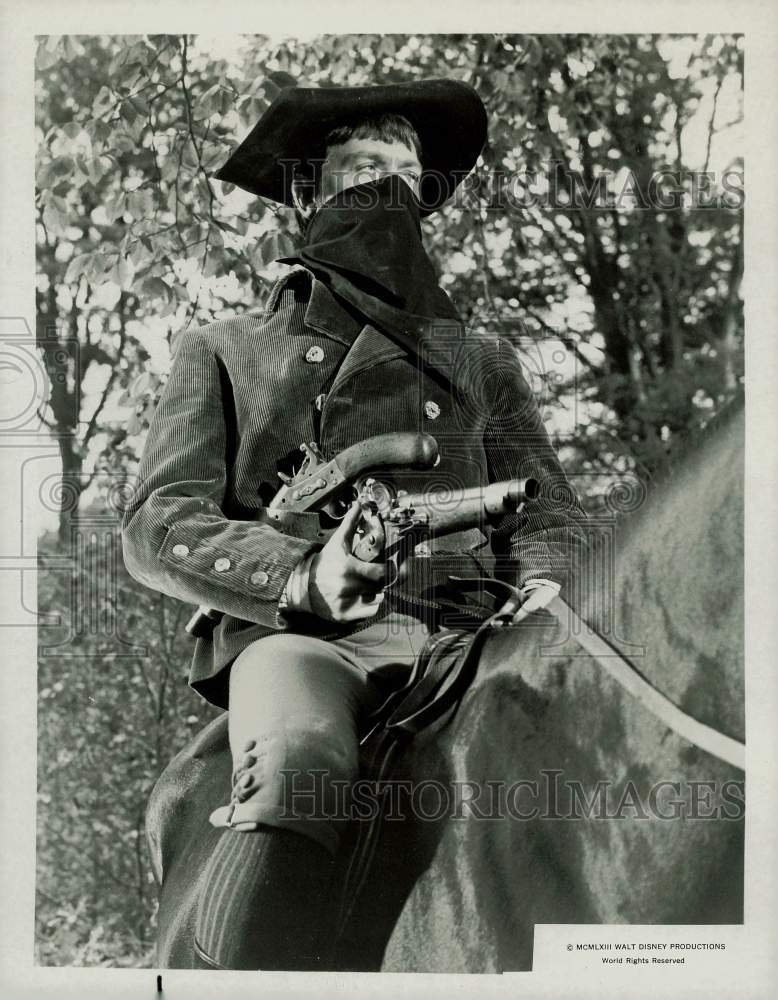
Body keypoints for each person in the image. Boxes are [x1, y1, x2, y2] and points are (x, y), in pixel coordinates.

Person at [120, 78, 587, 970]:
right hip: (313, 637)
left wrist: (549, 581)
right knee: (299, 763)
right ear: (305, 192)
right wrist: (301, 576)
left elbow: (553, 510)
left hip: (482, 630)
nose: (391, 193)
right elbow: (159, 519)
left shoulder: (481, 358)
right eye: (365, 169)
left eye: (408, 175)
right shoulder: (226, 349)